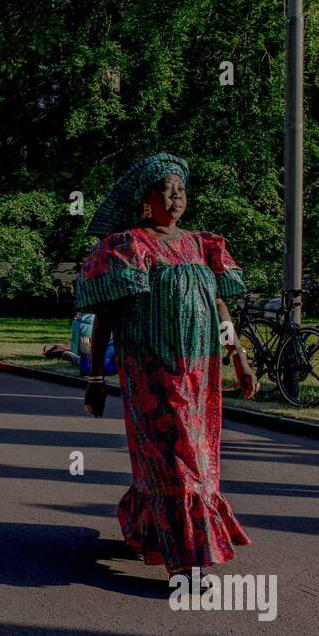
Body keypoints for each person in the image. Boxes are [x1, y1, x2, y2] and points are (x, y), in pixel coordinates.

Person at [76, 153, 258, 577]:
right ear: (146, 200)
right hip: (150, 373)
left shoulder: (202, 245)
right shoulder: (128, 245)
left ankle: (149, 530)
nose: (175, 198)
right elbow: (107, 314)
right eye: (166, 190)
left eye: (180, 190)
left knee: (196, 460)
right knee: (176, 462)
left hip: (200, 375)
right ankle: (188, 563)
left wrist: (239, 357)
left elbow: (219, 307)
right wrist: (96, 378)